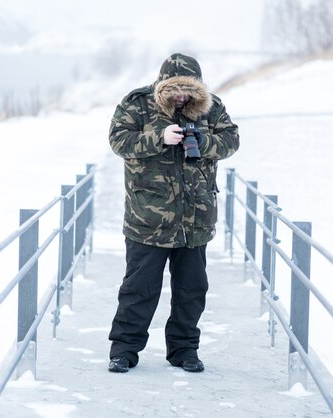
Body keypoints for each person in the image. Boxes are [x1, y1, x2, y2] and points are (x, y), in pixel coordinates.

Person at [107, 53, 240, 373]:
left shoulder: (213, 107)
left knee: (191, 291)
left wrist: (203, 140)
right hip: (147, 221)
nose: (182, 96)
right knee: (139, 290)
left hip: (195, 219)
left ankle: (184, 351)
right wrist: (159, 138)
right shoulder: (137, 104)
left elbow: (231, 139)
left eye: (189, 90)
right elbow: (118, 141)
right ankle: (124, 351)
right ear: (162, 86)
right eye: (175, 89)